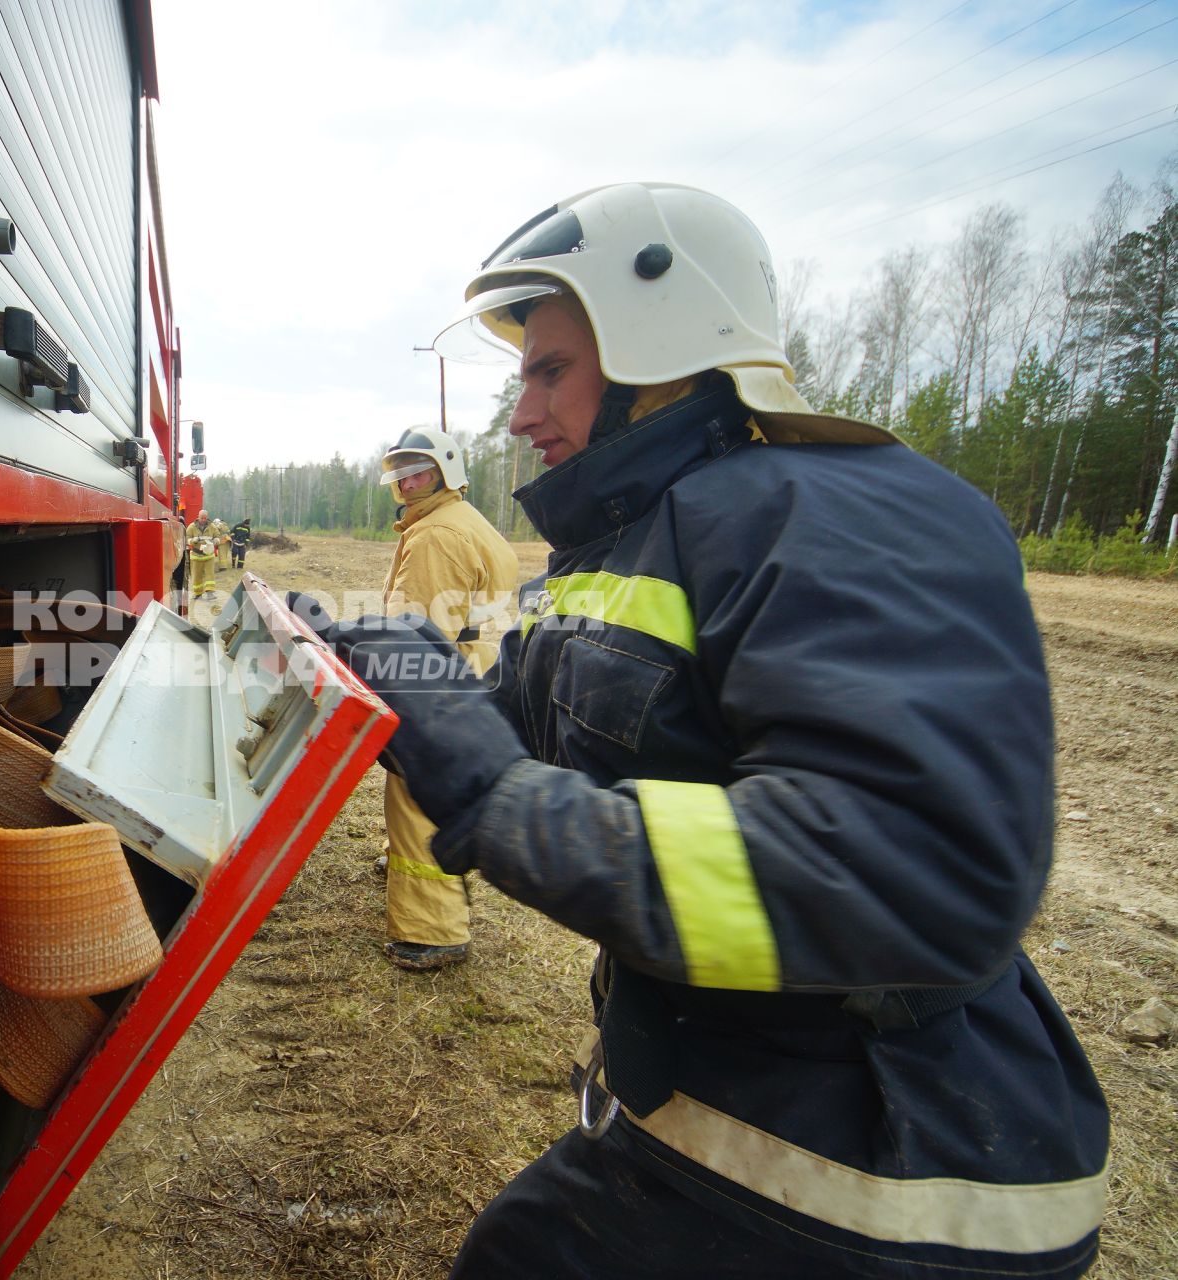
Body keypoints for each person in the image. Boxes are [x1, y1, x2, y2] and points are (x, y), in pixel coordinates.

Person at [305, 183, 1109, 1279]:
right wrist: (390, 668)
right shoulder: (637, 541)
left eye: (548, 371)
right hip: (726, 1098)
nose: (519, 413)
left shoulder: (835, 511)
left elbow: (910, 867)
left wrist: (501, 801)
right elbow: (543, 732)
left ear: (659, 351)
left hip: (890, 1173)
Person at [372, 428, 517, 970]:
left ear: (445, 472)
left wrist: (391, 688)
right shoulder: (460, 520)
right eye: (401, 473)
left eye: (420, 472)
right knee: (436, 785)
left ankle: (433, 930)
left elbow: (417, 631)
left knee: (415, 797)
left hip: (438, 675)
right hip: (470, 669)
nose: (408, 483)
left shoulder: (437, 535)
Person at [187, 508, 219, 600]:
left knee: (210, 575)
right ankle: (198, 594)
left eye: (205, 518)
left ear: (207, 518)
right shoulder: (192, 527)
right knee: (196, 575)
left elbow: (217, 536)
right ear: (198, 517)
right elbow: (187, 538)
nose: (203, 520)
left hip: (209, 555)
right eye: (201, 518)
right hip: (196, 556)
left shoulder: (212, 526)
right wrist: (193, 540)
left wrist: (215, 541)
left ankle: (210, 593)